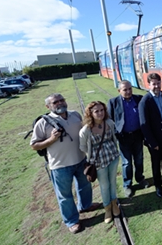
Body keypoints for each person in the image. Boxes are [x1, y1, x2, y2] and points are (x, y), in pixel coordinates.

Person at [30, 94, 100, 234]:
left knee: (85, 185)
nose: (60, 103)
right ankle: (72, 221)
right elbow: (34, 145)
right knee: (64, 195)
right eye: (55, 102)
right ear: (48, 106)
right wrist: (51, 139)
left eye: (62, 100)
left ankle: (85, 205)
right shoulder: (43, 123)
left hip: (80, 160)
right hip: (59, 165)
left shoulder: (75, 115)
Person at [79, 101, 120, 223]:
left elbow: (114, 137)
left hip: (112, 157)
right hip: (98, 162)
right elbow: (82, 147)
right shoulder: (86, 130)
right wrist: (94, 154)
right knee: (104, 185)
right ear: (90, 113)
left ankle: (114, 204)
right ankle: (107, 209)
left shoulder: (109, 123)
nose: (100, 113)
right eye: (96, 111)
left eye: (102, 110)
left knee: (112, 182)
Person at [107, 80, 149, 199]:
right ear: (119, 91)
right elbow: (110, 121)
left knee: (139, 159)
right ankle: (127, 185)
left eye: (130, 88)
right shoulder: (113, 102)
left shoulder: (138, 99)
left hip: (137, 135)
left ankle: (140, 178)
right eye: (125, 89)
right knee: (126, 163)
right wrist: (116, 134)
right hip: (124, 137)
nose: (128, 91)